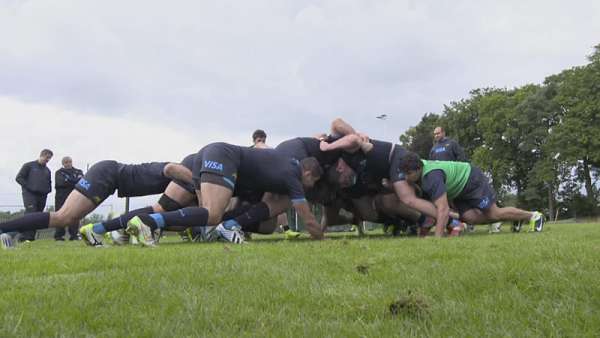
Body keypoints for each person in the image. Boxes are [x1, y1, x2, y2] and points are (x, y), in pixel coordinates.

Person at [126, 142, 324, 245]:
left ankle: (120, 226)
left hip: (209, 152)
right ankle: (147, 222)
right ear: (307, 172)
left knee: (207, 215)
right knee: (212, 214)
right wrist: (321, 238)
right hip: (222, 156)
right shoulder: (293, 174)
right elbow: (306, 216)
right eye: (312, 181)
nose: (311, 185)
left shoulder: (284, 164)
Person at [1, 160, 192, 249]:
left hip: (108, 177)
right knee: (63, 217)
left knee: (63, 217)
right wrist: (197, 183)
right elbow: (170, 168)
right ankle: (4, 229)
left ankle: (7, 232)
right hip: (107, 175)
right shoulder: (184, 170)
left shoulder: (183, 185)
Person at [399, 152, 544, 236]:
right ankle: (513, 217)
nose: (406, 178)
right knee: (469, 218)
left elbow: (442, 209)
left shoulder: (431, 176)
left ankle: (533, 216)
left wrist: (437, 239)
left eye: (408, 174)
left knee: (494, 213)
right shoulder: (419, 165)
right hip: (459, 189)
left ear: (418, 169)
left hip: (471, 180)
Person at [14, 149, 53, 242]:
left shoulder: (47, 170)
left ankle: (30, 237)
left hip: (42, 196)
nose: (47, 160)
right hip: (30, 195)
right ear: (42, 155)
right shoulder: (29, 166)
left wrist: (48, 190)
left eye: (49, 159)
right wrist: (30, 187)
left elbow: (49, 182)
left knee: (38, 216)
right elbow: (19, 178)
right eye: (47, 158)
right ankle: (25, 236)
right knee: (31, 214)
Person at [54, 156, 84, 241]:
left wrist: (68, 180)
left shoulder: (78, 171)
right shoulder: (59, 172)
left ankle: (74, 235)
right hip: (61, 198)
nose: (68, 163)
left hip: (75, 197)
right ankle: (59, 236)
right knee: (60, 215)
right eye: (66, 162)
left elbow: (81, 182)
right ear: (63, 163)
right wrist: (74, 180)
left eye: (69, 161)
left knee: (75, 215)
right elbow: (60, 183)